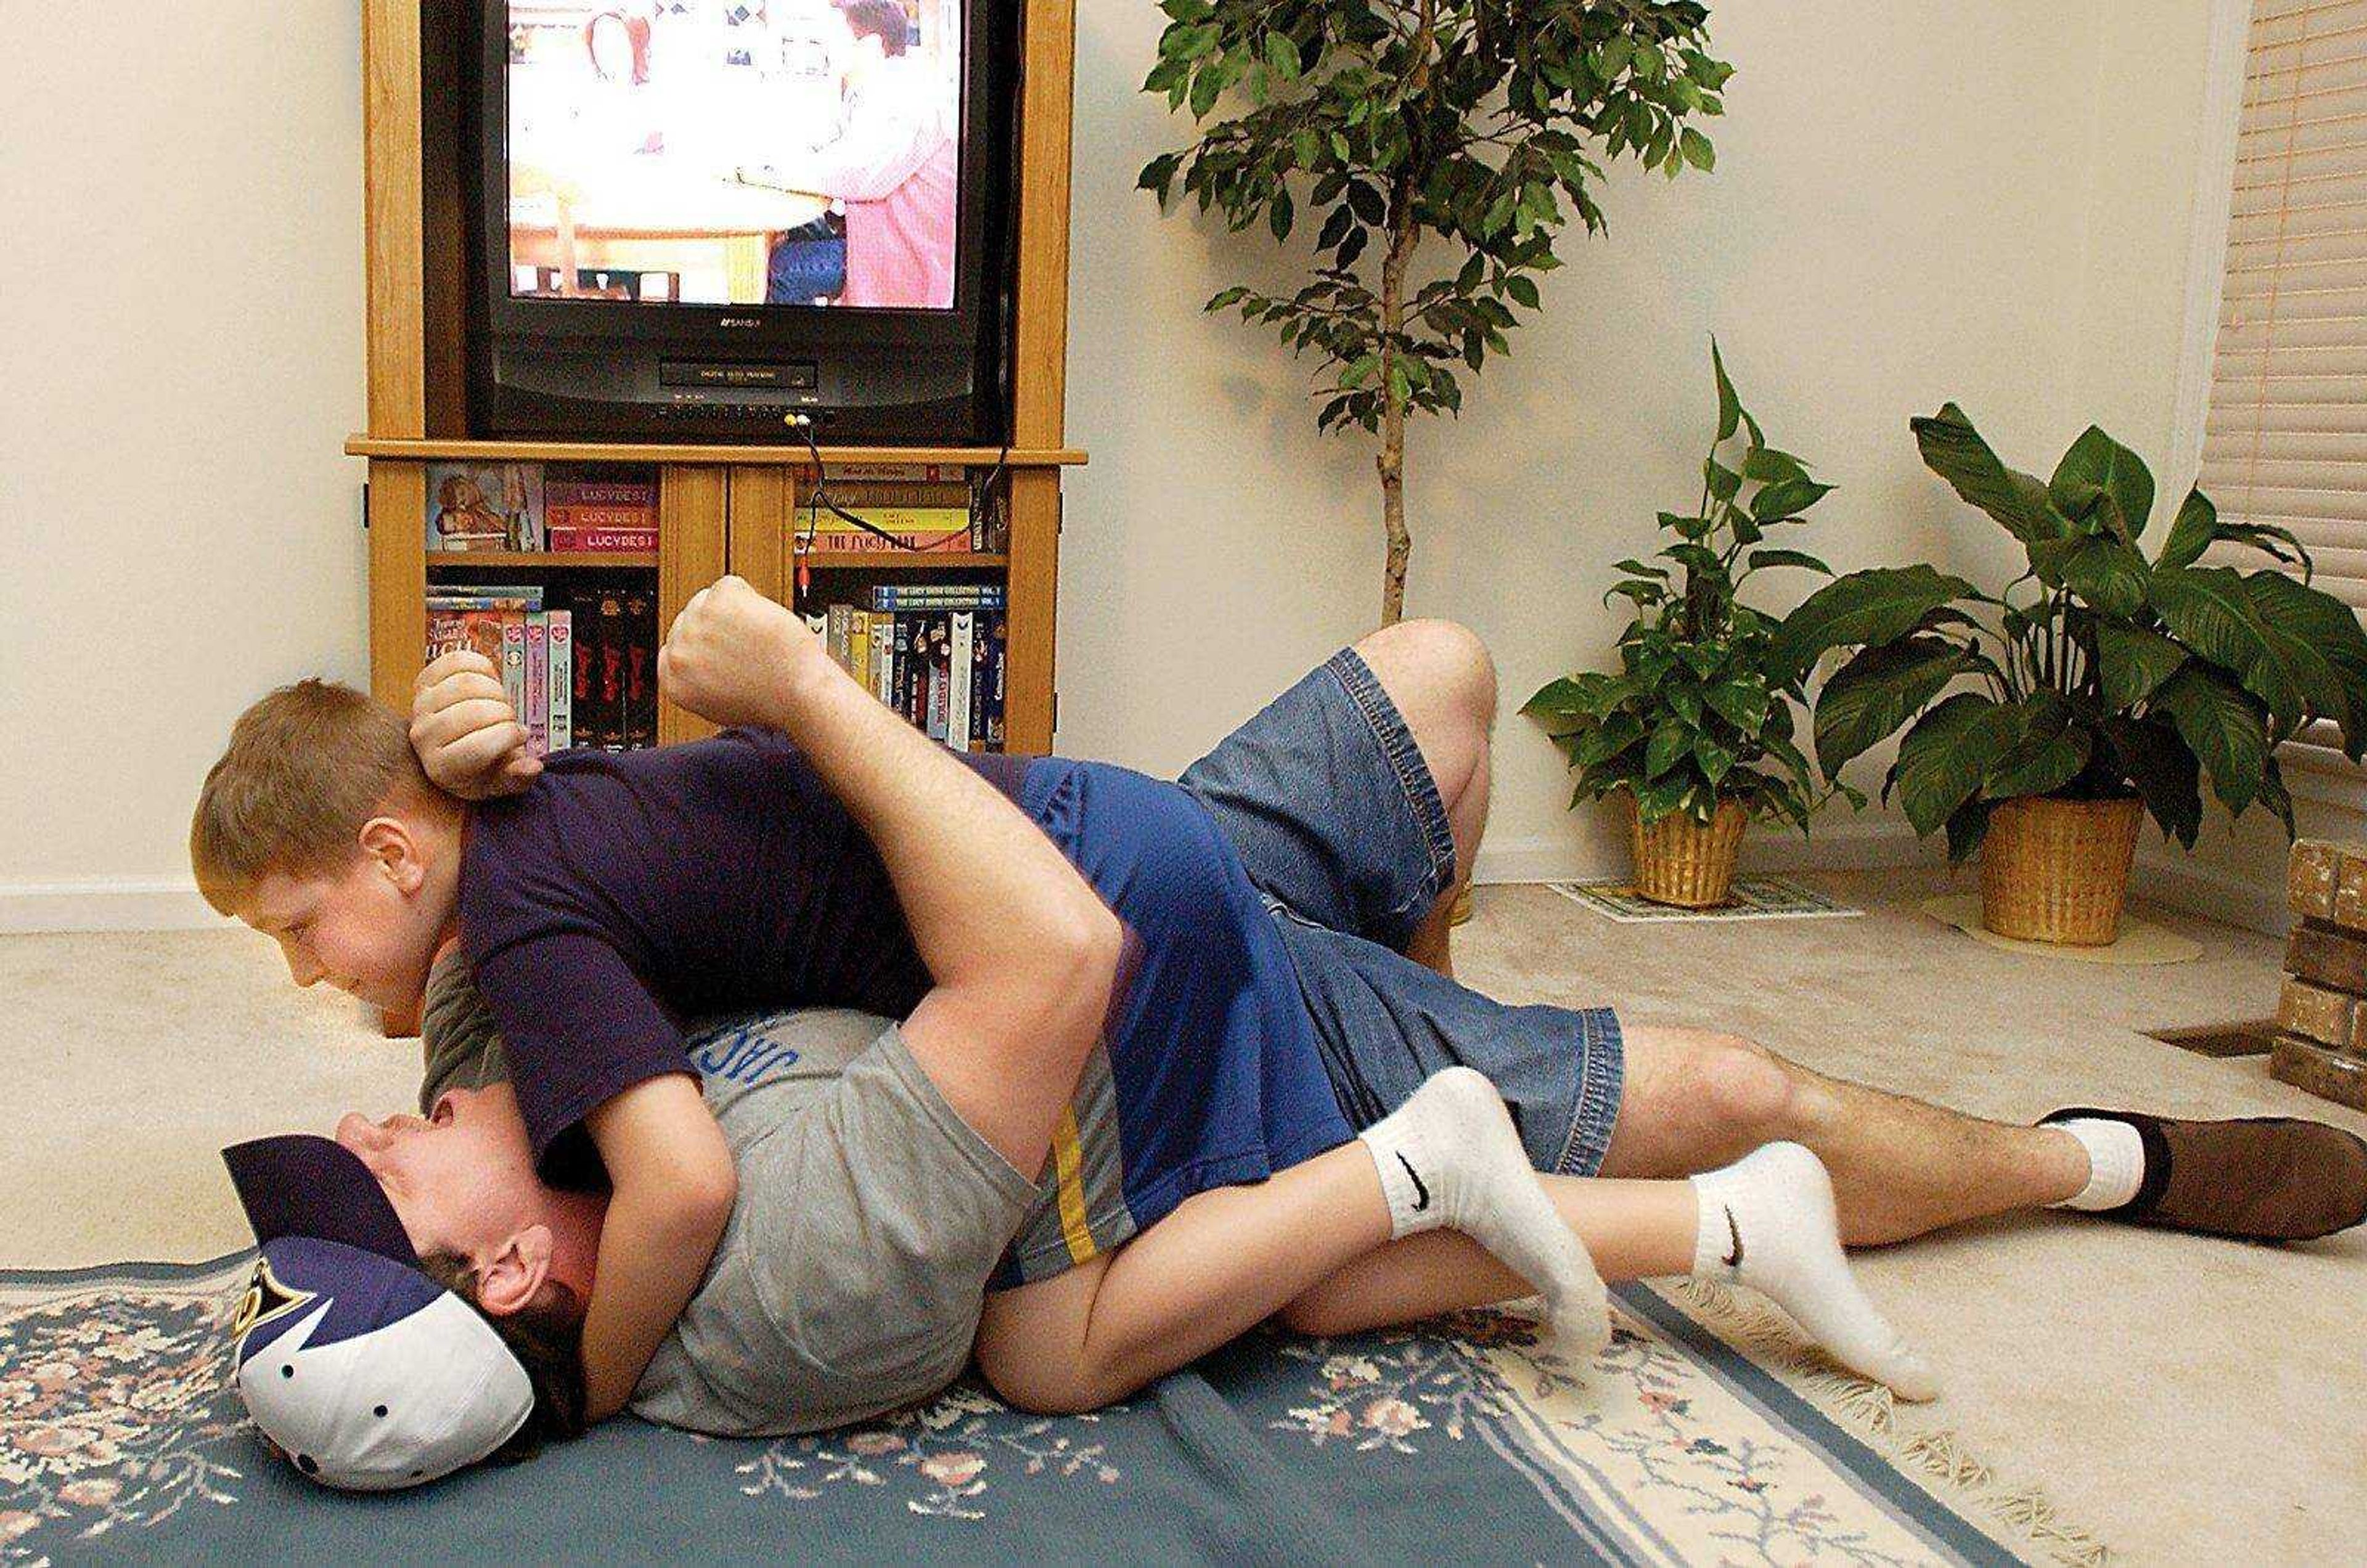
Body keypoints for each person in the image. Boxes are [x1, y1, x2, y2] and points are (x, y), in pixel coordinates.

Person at [193, 592, 2366, 1447]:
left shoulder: (501, 947)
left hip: (1055, 897)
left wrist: (463, 707)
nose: (332, 1014)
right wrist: (460, 725)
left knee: (1712, 1101)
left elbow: (636, 1131)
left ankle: (2074, 1157)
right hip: (1071, 827)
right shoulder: (482, 965)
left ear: (401, 857)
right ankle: (2127, 1154)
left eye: (311, 930)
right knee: (1430, 676)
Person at [739, 0, 957, 308]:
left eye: (832, 36)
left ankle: (793, 355)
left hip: (905, 258)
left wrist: (764, 172)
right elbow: (839, 150)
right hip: (879, 241)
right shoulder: (881, 87)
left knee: (783, 269)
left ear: (869, 44)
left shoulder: (904, 98)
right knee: (796, 232)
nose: (823, 47)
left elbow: (857, 173)